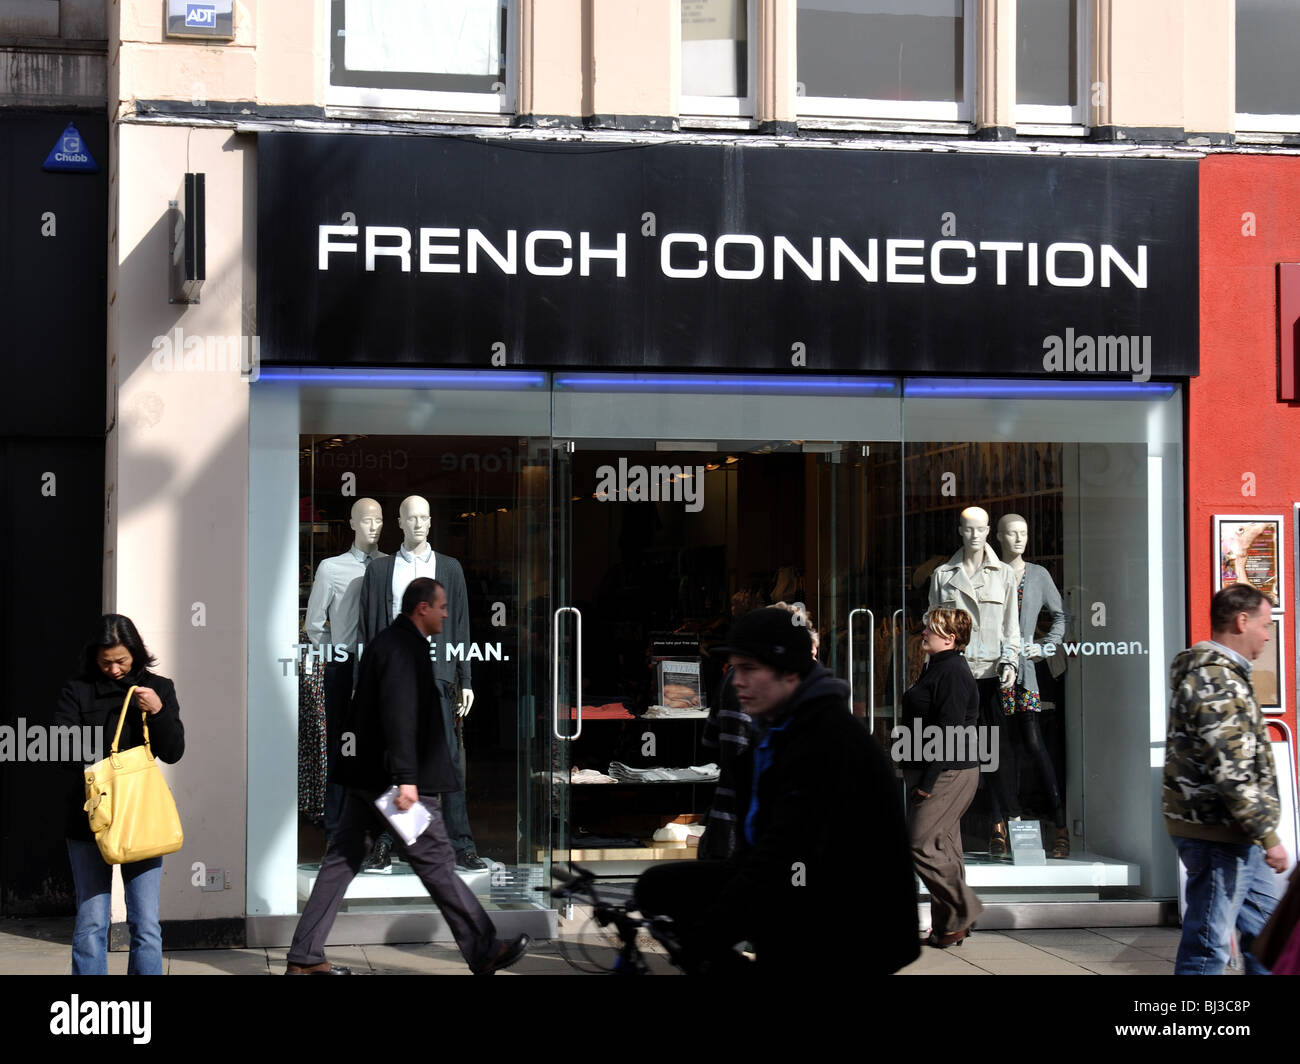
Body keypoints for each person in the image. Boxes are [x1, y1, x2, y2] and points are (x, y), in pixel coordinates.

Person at [635, 607, 918, 974]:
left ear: (788, 672)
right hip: (801, 897)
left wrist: (711, 931)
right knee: (661, 888)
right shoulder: (777, 735)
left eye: (750, 669)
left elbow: (782, 854)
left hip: (849, 930)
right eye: (736, 668)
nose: (737, 681)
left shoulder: (825, 741)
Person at [285, 577, 528, 975]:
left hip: (370, 782)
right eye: (441, 607)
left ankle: (304, 958)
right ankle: (485, 948)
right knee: (436, 862)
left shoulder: (391, 642)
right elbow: (399, 717)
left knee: (340, 863)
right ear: (422, 608)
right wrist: (407, 780)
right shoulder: (403, 648)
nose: (446, 614)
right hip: (394, 786)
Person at [1163, 584, 1289, 975]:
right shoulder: (1217, 679)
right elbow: (1231, 771)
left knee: (1268, 936)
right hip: (1219, 833)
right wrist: (1268, 836)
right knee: (1208, 946)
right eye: (1265, 625)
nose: (1268, 635)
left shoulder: (1224, 675)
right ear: (1242, 621)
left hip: (1235, 832)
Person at [55, 614, 186, 975]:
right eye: (106, 661)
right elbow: (61, 751)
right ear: (94, 657)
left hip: (142, 816)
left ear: (136, 654)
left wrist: (157, 712)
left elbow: (173, 751)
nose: (114, 669)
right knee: (92, 920)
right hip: (91, 818)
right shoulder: (78, 690)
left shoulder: (157, 687)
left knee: (145, 922)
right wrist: (108, 761)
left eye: (121, 661)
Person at [900, 607, 983, 948]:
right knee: (944, 847)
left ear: (950, 638)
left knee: (919, 843)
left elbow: (949, 732)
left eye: (931, 629)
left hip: (948, 772)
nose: (924, 632)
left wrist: (926, 784)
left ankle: (964, 909)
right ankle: (949, 927)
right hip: (944, 769)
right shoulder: (939, 666)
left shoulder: (951, 672)